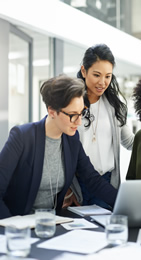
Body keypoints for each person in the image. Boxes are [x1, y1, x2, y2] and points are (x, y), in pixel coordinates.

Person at [0, 75, 117, 219]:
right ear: (52, 111)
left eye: (81, 113)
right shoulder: (22, 137)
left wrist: (124, 203)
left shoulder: (71, 139)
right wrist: (12, 227)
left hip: (53, 224)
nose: (79, 122)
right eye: (73, 115)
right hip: (19, 224)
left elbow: (92, 179)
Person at [63, 44, 134, 209]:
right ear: (83, 71)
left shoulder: (116, 106)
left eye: (108, 76)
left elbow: (130, 142)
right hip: (75, 185)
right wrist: (67, 190)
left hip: (105, 183)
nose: (102, 82)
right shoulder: (70, 104)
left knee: (104, 232)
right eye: (96, 75)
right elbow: (59, 147)